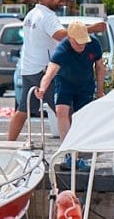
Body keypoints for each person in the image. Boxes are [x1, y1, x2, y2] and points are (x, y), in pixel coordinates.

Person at [6, 0, 106, 140]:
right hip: (46, 70)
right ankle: (76, 151)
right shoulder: (47, 16)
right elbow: (62, 35)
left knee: (23, 110)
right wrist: (92, 28)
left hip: (29, 69)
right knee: (67, 112)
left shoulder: (32, 14)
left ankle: (9, 144)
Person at [33, 21, 106, 171]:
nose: (82, 46)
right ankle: (68, 154)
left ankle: (78, 153)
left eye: (84, 42)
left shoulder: (94, 44)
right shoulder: (62, 50)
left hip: (85, 84)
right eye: (78, 43)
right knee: (61, 111)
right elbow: (50, 72)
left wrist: (100, 91)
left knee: (80, 117)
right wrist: (42, 89)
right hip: (65, 82)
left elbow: (100, 67)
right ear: (70, 39)